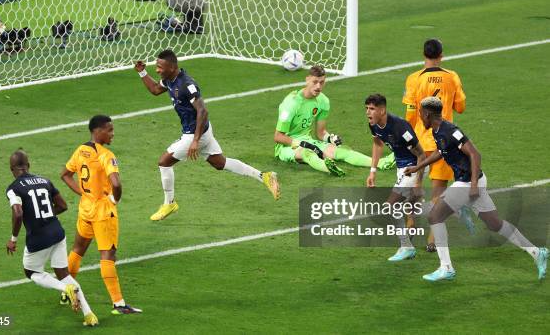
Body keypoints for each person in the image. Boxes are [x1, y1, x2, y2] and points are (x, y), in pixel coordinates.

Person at [404, 97, 548, 281]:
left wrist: (472, 185)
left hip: (468, 182)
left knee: (435, 216)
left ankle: (446, 267)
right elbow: (441, 152)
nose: (419, 118)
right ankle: (537, 252)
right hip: (472, 182)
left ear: (427, 114)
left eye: (420, 114)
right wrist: (418, 167)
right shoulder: (438, 131)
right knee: (495, 224)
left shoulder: (450, 131)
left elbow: (475, 154)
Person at [134, 50, 281, 221]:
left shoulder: (187, 85)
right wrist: (142, 72)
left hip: (195, 134)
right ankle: (264, 176)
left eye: (160, 67)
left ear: (172, 67)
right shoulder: (169, 79)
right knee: (220, 163)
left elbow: (202, 111)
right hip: (202, 131)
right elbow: (154, 89)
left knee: (164, 162)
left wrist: (195, 141)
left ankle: (170, 203)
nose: (157, 70)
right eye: (156, 67)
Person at [5, 149, 98, 327]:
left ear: (12, 169)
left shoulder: (13, 188)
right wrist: (47, 215)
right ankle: (89, 315)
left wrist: (13, 239)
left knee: (31, 272)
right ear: (28, 166)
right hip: (57, 233)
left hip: (38, 238)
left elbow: (17, 214)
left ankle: (65, 289)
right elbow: (62, 206)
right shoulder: (44, 181)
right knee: (63, 273)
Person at [60, 115, 141, 314]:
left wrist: (82, 192)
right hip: (103, 212)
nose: (113, 134)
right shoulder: (106, 154)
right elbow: (116, 183)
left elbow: (65, 174)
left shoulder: (81, 150)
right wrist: (115, 200)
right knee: (108, 255)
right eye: (109, 130)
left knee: (78, 249)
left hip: (85, 208)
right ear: (98, 131)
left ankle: (65, 290)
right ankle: (119, 304)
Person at [402, 38, 466, 252]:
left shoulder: (413, 79)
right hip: (443, 142)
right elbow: (461, 107)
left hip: (420, 141)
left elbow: (410, 114)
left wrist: (408, 138)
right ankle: (431, 239)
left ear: (423, 54)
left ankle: (410, 223)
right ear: (442, 54)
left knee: (415, 185)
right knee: (438, 191)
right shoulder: (452, 77)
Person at [274, 65, 395, 177]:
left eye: (322, 82)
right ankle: (328, 168)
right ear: (307, 80)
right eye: (315, 82)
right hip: (286, 147)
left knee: (342, 151)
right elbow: (278, 136)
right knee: (307, 153)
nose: (318, 87)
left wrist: (330, 138)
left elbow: (320, 133)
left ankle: (381, 163)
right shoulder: (291, 103)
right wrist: (301, 144)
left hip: (308, 141)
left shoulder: (323, 101)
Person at [364, 94, 426, 261]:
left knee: (390, 206)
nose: (368, 113)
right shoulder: (374, 125)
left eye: (372, 109)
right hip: (401, 168)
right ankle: (451, 207)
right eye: (367, 109)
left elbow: (421, 155)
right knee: (413, 207)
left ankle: (406, 247)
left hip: (414, 167)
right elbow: (378, 144)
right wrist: (372, 171)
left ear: (382, 110)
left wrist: (418, 183)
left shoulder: (400, 128)